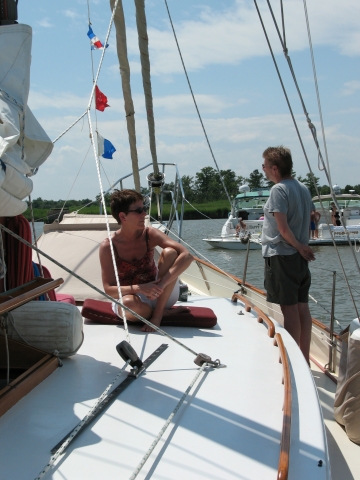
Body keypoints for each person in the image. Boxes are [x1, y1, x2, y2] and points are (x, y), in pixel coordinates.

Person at [99, 189, 193, 332]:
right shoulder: (108, 247)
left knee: (170, 253)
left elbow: (187, 256)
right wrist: (140, 288)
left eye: (144, 209)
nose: (144, 214)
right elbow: (109, 290)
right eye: (139, 210)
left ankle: (158, 315)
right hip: (131, 300)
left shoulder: (149, 234)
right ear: (123, 217)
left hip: (161, 293)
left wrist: (161, 284)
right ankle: (159, 313)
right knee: (128, 304)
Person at [261, 146, 315, 363]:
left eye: (264, 166)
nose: (263, 170)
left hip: (283, 255)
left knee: (289, 310)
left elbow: (283, 229)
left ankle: (292, 363)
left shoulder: (279, 190)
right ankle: (304, 357)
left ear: (274, 168)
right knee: (303, 308)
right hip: (299, 259)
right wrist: (302, 248)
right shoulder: (303, 188)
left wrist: (299, 247)